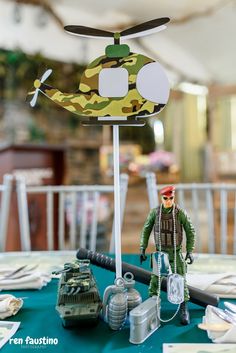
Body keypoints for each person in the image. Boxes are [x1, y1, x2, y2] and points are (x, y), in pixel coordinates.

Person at [140, 185, 196, 325]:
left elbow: (190, 231)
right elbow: (146, 230)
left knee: (181, 280)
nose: (168, 201)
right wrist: (142, 248)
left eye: (171, 198)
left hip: (176, 252)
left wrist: (189, 251)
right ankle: (152, 306)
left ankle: (183, 307)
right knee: (155, 280)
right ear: (161, 198)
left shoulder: (180, 213)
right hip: (160, 252)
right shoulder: (155, 213)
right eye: (166, 198)